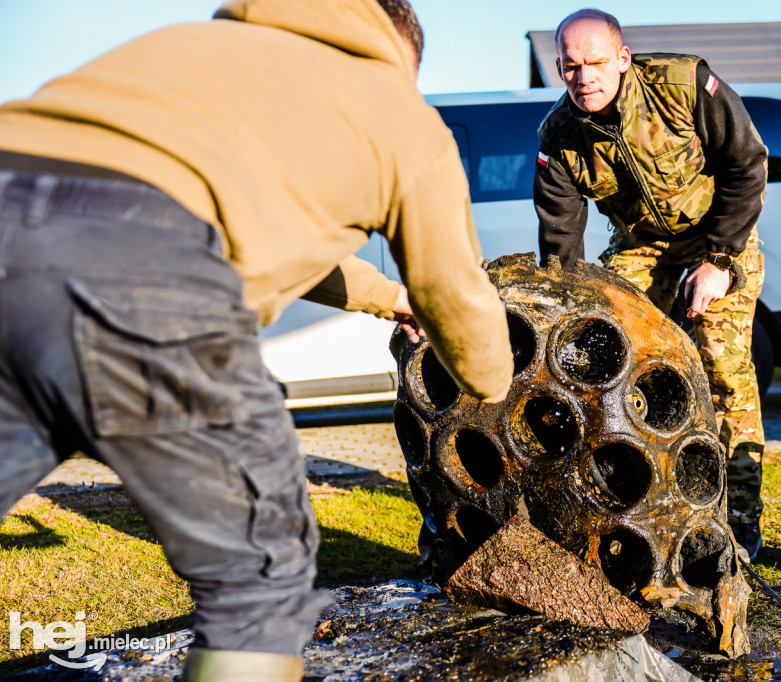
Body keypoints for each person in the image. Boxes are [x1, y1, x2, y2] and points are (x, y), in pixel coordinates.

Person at [0, 0, 513, 680]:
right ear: (401, 52)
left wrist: (389, 298)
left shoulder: (184, 48)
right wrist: (497, 383)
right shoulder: (395, 109)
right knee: (260, 577)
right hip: (146, 273)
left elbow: (251, 220)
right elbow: (458, 297)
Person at [534, 9, 768, 561]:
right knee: (602, 357)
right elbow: (560, 237)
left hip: (716, 234)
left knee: (721, 368)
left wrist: (718, 259)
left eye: (594, 63)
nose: (583, 78)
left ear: (622, 59)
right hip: (640, 245)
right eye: (570, 67)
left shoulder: (682, 86)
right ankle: (633, 501)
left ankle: (739, 521)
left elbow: (747, 165)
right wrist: (565, 316)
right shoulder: (560, 135)